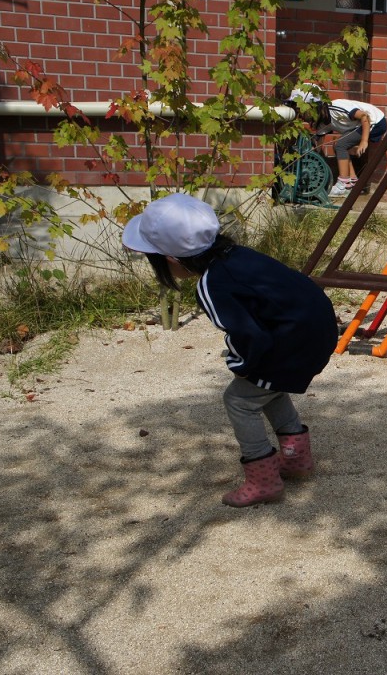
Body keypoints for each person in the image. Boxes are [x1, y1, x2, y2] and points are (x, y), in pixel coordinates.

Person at [122, 193, 339, 507]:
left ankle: (263, 481)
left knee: (239, 399)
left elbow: (247, 334)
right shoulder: (238, 255)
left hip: (291, 341)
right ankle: (296, 460)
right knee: (266, 387)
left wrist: (241, 365)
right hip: (316, 330)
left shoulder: (211, 284)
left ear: (171, 259)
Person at [287, 85, 387, 198]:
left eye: (300, 110)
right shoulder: (323, 121)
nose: (300, 115)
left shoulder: (335, 108)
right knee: (338, 145)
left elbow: (364, 116)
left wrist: (364, 141)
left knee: (341, 144)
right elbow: (318, 144)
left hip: (375, 121)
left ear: (312, 106)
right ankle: (352, 182)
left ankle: (343, 185)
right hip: (360, 125)